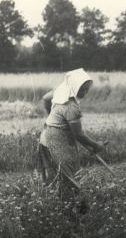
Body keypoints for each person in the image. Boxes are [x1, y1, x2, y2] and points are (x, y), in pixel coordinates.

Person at [37, 68, 105, 199]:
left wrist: (51, 117)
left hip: (47, 137)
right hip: (56, 141)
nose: (85, 93)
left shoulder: (61, 93)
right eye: (82, 89)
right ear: (74, 86)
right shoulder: (71, 106)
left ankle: (58, 203)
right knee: (68, 177)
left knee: (57, 175)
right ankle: (73, 206)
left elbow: (46, 98)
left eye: (87, 89)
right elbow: (78, 135)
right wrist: (96, 145)